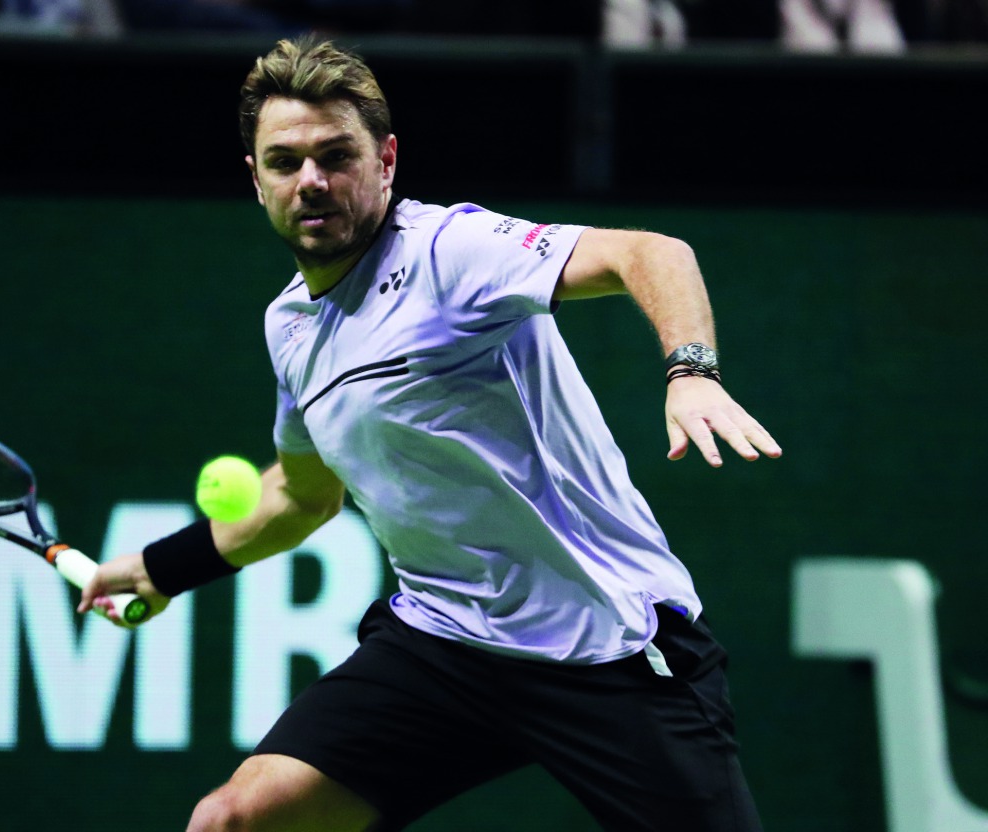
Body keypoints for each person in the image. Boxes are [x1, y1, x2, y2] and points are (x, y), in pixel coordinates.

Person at [80, 35, 781, 832]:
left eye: (335, 155)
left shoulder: (452, 252)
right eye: (285, 162)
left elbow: (649, 254)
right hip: (444, 642)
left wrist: (690, 371)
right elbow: (302, 498)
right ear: (257, 180)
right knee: (232, 822)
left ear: (385, 159)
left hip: (605, 644)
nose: (311, 181)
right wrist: (163, 568)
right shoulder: (290, 328)